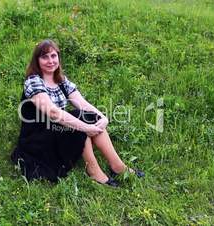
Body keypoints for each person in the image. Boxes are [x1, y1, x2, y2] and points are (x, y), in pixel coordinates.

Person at [11, 39, 144, 187]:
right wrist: (85, 127)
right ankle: (93, 171)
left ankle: (118, 166)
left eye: (53, 56)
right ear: (37, 61)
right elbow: (53, 113)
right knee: (78, 122)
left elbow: (82, 103)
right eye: (45, 57)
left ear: (58, 58)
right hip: (38, 137)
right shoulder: (34, 81)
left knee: (89, 117)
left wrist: (102, 117)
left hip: (55, 129)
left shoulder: (60, 80)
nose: (50, 61)